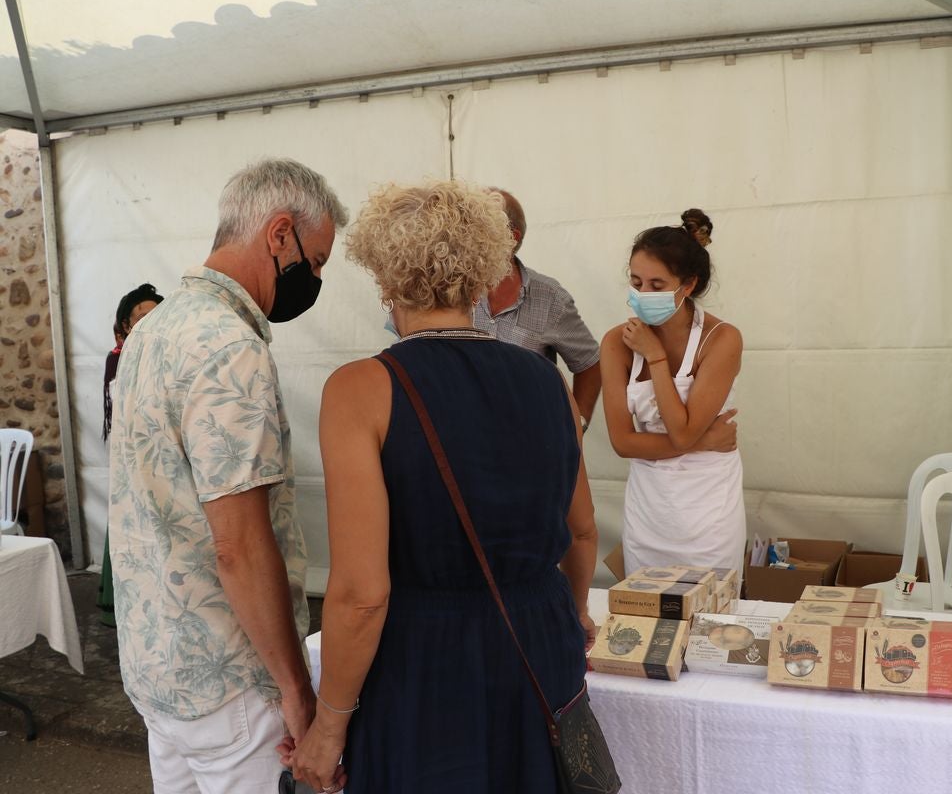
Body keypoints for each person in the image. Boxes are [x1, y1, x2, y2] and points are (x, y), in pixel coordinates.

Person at [287, 180, 599, 793]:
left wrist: (328, 726)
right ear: (486, 273)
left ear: (385, 279)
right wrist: (579, 608)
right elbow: (581, 530)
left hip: (426, 658)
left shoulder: (360, 390)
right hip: (539, 639)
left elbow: (361, 594)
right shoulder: (548, 382)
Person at [107, 158, 347, 792]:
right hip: (229, 681)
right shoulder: (228, 347)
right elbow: (238, 544)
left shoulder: (151, 330)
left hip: (157, 667)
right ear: (279, 235)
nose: (315, 276)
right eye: (317, 260)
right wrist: (297, 690)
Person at [600, 208, 745, 576]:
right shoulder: (616, 343)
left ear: (689, 285)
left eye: (656, 285)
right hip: (649, 512)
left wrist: (655, 356)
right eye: (636, 282)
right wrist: (705, 439)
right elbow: (622, 443)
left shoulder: (722, 339)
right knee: (647, 618)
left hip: (708, 514)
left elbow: (679, 431)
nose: (642, 293)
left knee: (710, 619)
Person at [470, 188, 602, 430]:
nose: (468, 235)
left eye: (480, 227)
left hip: (528, 441)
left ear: (512, 237)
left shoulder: (550, 297)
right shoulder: (450, 290)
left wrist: (577, 424)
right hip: (461, 440)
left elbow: (590, 363)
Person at [99, 282, 164, 629]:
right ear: (125, 325)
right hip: (132, 452)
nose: (148, 322)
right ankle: (118, 599)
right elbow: (120, 413)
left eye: (156, 315)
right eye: (140, 317)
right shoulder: (119, 358)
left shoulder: (167, 354)